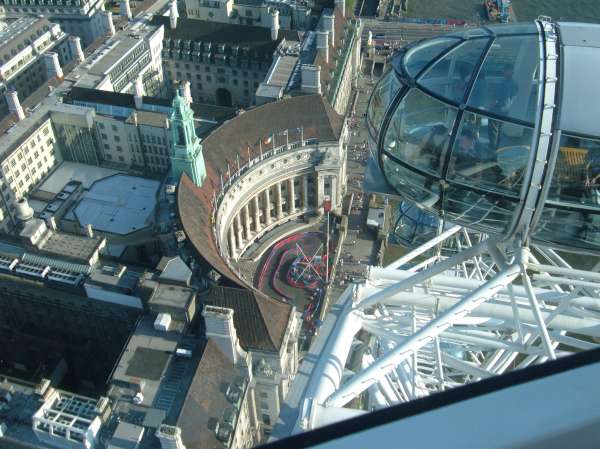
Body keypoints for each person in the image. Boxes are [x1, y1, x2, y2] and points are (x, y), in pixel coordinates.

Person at [488, 65, 519, 149]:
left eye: (506, 70)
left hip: (498, 108)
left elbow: (499, 97)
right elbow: (513, 98)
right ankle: (496, 147)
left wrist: (493, 104)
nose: (505, 72)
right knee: (499, 129)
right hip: (505, 109)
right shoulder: (514, 84)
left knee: (493, 128)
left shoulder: (505, 83)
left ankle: (493, 147)